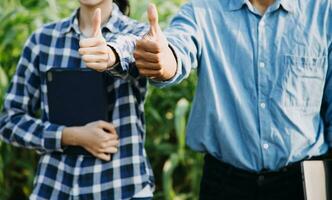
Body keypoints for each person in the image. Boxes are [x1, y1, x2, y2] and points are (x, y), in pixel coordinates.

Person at [91, 0, 332, 199]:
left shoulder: (323, 11)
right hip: (225, 183)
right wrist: (162, 61)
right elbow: (176, 47)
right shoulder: (203, 9)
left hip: (304, 182)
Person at [0, 0, 154, 199]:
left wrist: (109, 55)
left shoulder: (138, 35)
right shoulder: (43, 40)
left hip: (121, 188)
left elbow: (130, 50)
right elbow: (9, 120)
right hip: (54, 187)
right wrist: (69, 135)